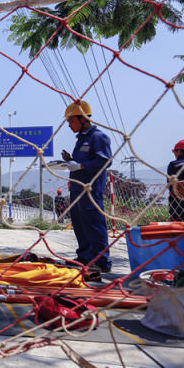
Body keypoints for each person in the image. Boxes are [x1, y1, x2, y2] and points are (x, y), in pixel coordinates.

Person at [61, 100, 112, 273]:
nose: (69, 125)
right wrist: (70, 161)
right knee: (80, 224)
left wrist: (81, 166)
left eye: (71, 121)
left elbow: (104, 161)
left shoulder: (98, 137)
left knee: (94, 224)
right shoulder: (81, 139)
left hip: (91, 189)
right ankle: (84, 257)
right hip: (76, 188)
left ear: (83, 119)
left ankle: (101, 261)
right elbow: (83, 160)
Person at [167, 140, 184, 221]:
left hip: (178, 204)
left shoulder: (173, 165)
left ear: (179, 151)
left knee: (178, 227)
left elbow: (169, 185)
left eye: (174, 151)